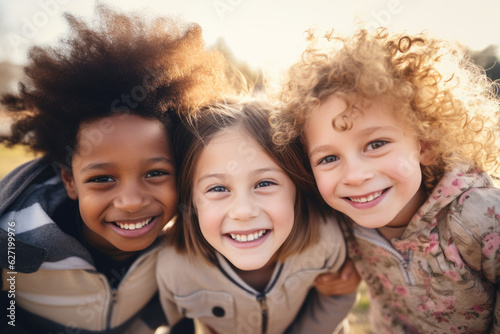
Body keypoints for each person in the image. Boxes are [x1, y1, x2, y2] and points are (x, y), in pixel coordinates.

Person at [0, 4, 229, 333]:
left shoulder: (185, 240)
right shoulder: (15, 237)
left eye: (155, 173)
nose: (132, 201)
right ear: (70, 181)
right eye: (102, 179)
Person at [271, 27, 500, 333]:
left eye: (376, 144)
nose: (354, 175)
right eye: (328, 158)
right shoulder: (341, 221)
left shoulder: (481, 219)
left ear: (425, 144)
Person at [156, 99, 358, 334]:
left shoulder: (326, 240)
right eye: (218, 189)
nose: (244, 211)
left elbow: (338, 296)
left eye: (264, 183)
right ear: (190, 198)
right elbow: (175, 322)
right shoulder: (174, 268)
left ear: (296, 188)